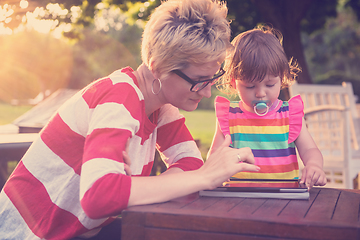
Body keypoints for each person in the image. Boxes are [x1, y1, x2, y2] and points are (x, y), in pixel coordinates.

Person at [0, 0, 260, 239]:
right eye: (198, 82)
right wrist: (205, 177)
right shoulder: (120, 95)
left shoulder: (161, 108)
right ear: (158, 67)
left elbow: (190, 165)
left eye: (211, 80)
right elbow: (99, 196)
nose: (206, 92)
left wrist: (127, 187)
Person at [208, 25, 327, 189]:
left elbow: (309, 150)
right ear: (233, 82)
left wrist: (314, 166)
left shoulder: (289, 115)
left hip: (283, 197)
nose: (260, 93)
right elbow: (215, 155)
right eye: (250, 86)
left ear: (282, 78)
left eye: (270, 84)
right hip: (238, 198)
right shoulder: (229, 116)